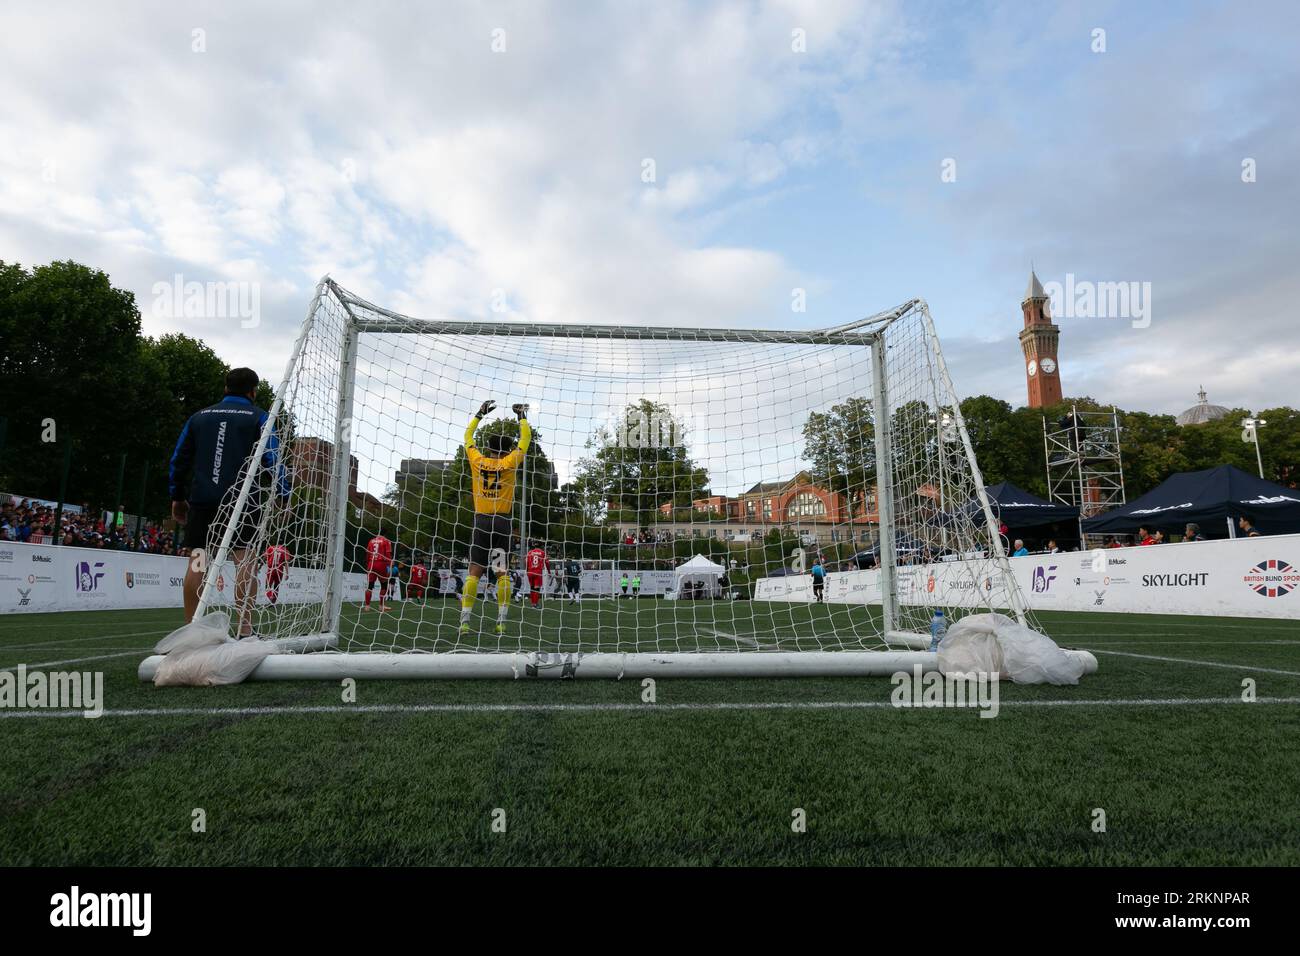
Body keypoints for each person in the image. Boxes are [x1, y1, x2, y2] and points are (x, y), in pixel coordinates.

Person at [168, 367, 289, 638]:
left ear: (225, 388)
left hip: (202, 500)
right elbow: (273, 458)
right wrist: (283, 493)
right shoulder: (259, 417)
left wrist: (177, 496)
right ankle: (245, 630)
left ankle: (192, 629)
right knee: (245, 560)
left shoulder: (199, 417)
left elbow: (179, 459)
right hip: (242, 500)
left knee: (198, 560)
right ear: (253, 391)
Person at [459, 400, 531, 635]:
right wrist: (521, 417)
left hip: (481, 522)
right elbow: (525, 442)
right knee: (501, 573)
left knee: (474, 572)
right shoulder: (510, 462)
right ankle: (501, 621)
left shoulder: (477, 460)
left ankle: (465, 622)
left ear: (488, 447)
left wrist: (479, 414)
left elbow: (468, 436)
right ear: (508, 449)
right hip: (502, 523)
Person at [363, 529, 394, 611]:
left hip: (371, 563)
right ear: (385, 534)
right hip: (381, 564)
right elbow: (388, 554)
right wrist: (390, 565)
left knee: (370, 586)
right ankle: (381, 606)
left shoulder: (371, 541)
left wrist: (367, 564)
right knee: (384, 585)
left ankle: (367, 606)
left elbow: (367, 554)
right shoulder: (386, 541)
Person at [525, 540, 548, 607]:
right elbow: (547, 562)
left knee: (532, 588)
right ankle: (535, 604)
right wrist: (548, 571)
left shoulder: (529, 552)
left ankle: (532, 603)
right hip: (537, 572)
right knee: (537, 589)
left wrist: (527, 571)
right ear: (541, 545)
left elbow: (526, 562)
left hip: (530, 572)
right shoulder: (542, 552)